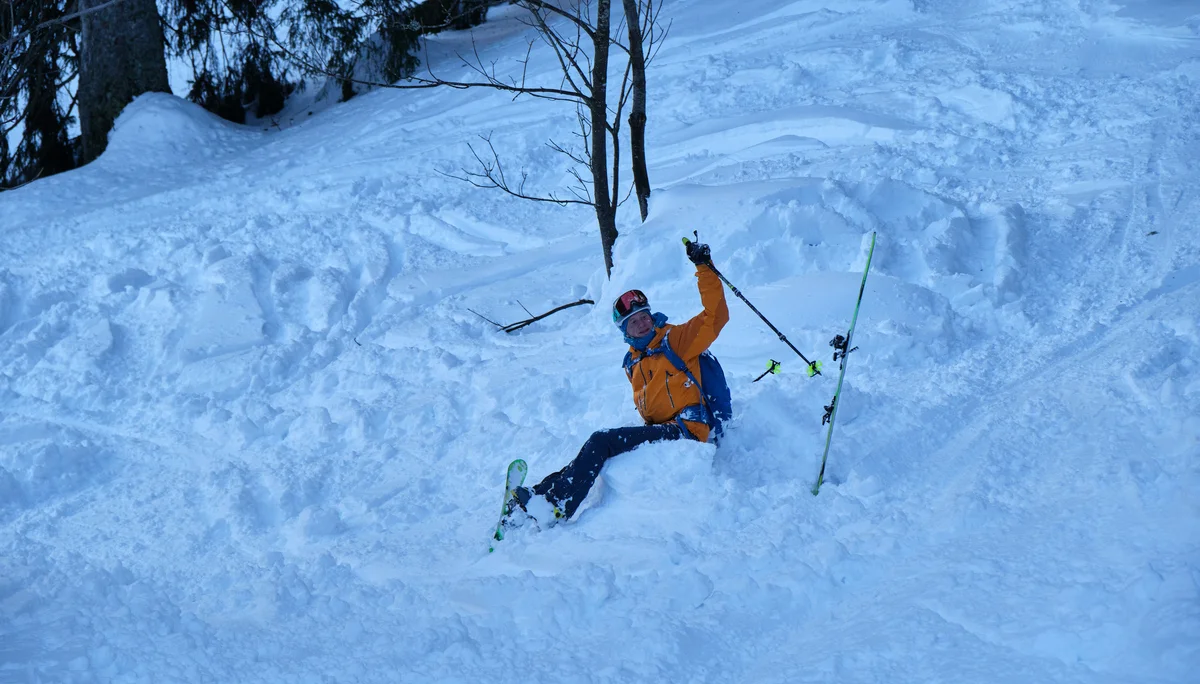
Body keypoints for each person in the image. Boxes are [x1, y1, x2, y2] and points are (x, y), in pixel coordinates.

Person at [509, 239, 730, 527]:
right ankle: (540, 495)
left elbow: (715, 317)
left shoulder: (675, 340)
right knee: (592, 455)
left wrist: (704, 268)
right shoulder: (633, 362)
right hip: (665, 428)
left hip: (688, 431)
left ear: (651, 316)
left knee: (602, 441)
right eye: (632, 321)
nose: (641, 323)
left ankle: (557, 506)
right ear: (623, 330)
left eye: (643, 316)